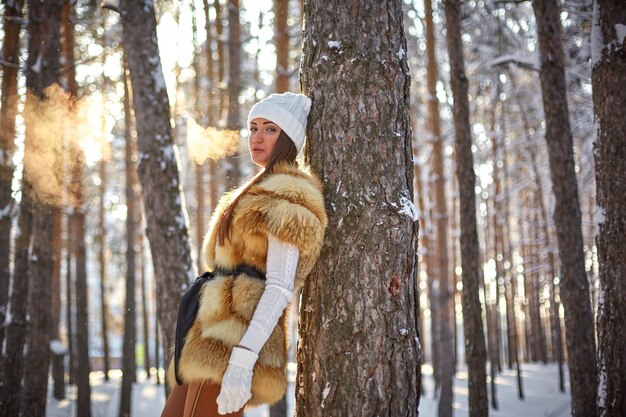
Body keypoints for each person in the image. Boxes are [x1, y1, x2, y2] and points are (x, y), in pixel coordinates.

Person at [160, 92, 328, 417]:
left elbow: (279, 287)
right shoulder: (251, 190)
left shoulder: (287, 198)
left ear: (289, 137)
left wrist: (243, 358)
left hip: (237, 340)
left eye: (270, 129)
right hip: (208, 333)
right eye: (253, 128)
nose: (257, 137)